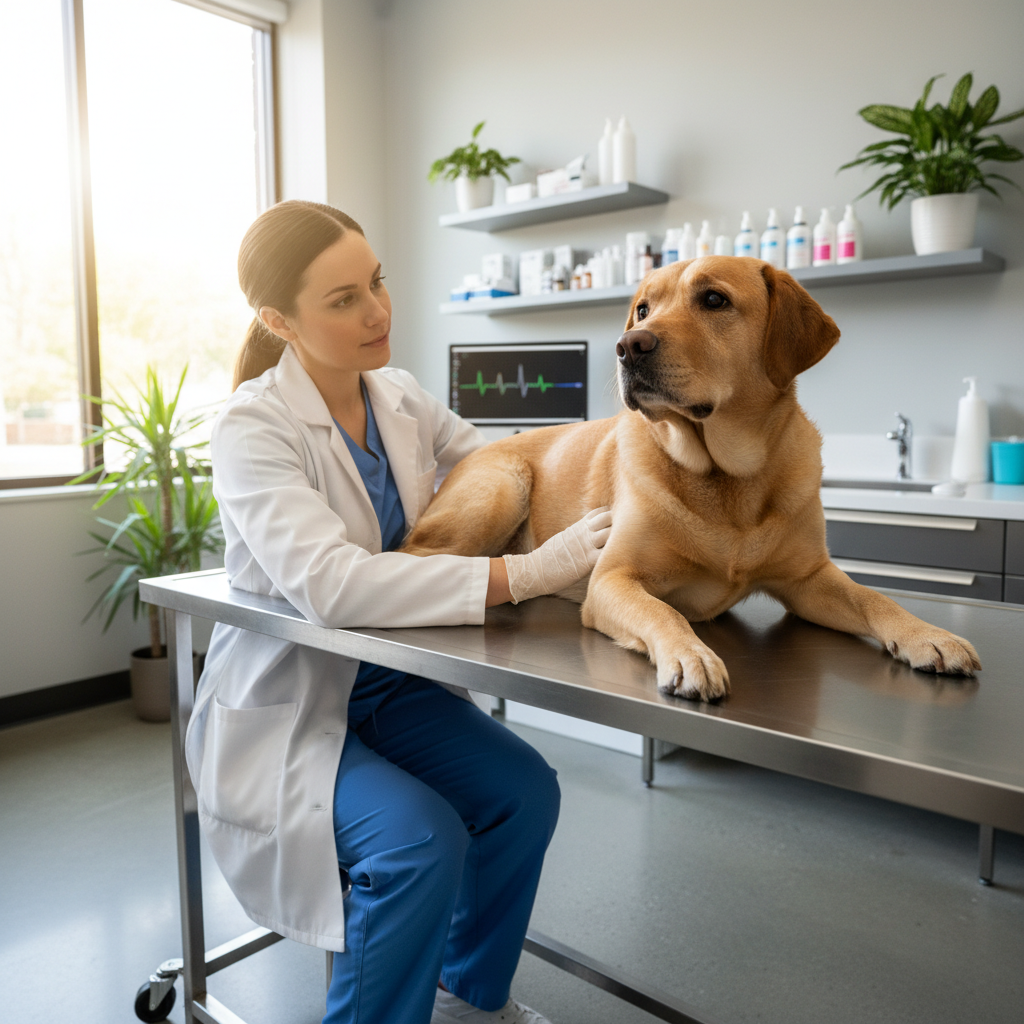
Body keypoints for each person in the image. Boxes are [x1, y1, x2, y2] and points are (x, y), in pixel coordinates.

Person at [185, 200, 612, 1024]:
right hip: (295, 698)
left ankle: (465, 998)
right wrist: (522, 574)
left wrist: (617, 453)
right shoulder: (252, 427)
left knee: (524, 794)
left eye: (376, 283)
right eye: (344, 299)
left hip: (394, 687)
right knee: (417, 844)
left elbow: (501, 466)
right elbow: (332, 586)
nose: (378, 311)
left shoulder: (401, 398)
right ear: (279, 321)